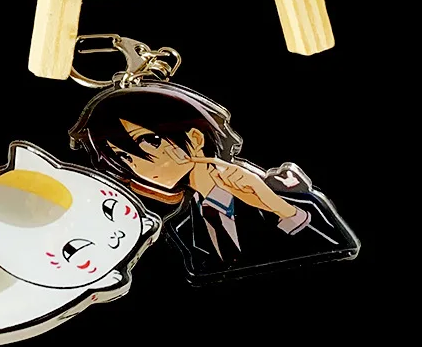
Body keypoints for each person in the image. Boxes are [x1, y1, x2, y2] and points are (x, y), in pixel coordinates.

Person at [69, 85, 359, 279]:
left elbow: (340, 246)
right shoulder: (180, 229)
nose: (138, 164)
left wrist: (277, 206)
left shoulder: (291, 197)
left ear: (195, 138)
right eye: (123, 156)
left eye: (149, 142)